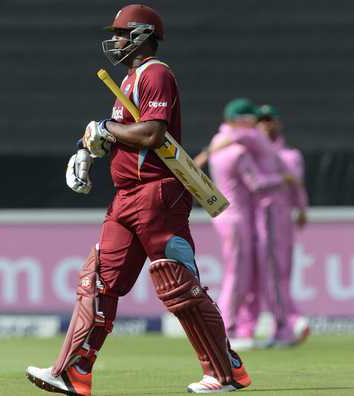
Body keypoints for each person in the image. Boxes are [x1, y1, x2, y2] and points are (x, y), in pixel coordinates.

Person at [26, 5, 251, 395]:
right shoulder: (127, 81)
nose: (113, 40)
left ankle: (225, 371)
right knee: (98, 281)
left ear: (141, 35)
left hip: (158, 192)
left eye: (119, 32)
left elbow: (151, 135)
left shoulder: (157, 74)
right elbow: (121, 132)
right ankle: (73, 370)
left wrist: (106, 129)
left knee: (176, 282)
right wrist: (87, 146)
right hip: (125, 196)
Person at [206, 99, 291, 351]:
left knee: (241, 274)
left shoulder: (219, 143)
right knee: (237, 276)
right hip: (237, 217)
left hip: (227, 216)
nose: (255, 124)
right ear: (240, 120)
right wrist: (283, 178)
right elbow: (256, 183)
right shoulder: (239, 151)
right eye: (250, 119)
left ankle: (237, 327)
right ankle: (226, 328)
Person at [238, 104, 309, 347]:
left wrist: (301, 209)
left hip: (276, 221)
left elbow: (296, 186)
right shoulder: (252, 153)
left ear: (278, 123)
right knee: (265, 275)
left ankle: (286, 326)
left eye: (270, 120)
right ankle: (280, 323)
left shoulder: (289, 156)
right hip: (260, 220)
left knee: (275, 274)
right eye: (262, 121)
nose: (266, 125)